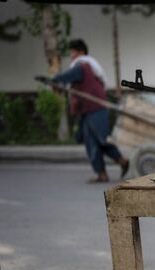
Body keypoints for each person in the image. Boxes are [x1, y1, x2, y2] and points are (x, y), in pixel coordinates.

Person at [50, 39, 128, 183]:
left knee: (102, 140)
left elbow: (69, 75)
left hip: (95, 109)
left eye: (73, 52)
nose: (71, 55)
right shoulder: (87, 66)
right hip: (86, 111)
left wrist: (56, 79)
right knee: (91, 142)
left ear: (81, 52)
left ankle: (122, 161)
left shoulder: (83, 65)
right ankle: (102, 173)